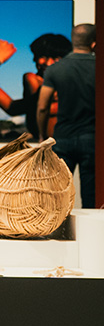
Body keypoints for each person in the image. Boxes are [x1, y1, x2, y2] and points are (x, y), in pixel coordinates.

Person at [38, 23, 96, 209]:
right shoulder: (99, 67)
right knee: (91, 196)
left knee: (56, 195)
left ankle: (56, 236)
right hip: (93, 139)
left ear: (73, 41)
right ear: (94, 43)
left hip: (63, 138)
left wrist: (42, 135)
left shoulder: (55, 69)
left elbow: (42, 107)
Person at [23, 33, 72, 139]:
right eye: (43, 56)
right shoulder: (33, 79)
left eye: (56, 58)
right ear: (35, 58)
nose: (48, 63)